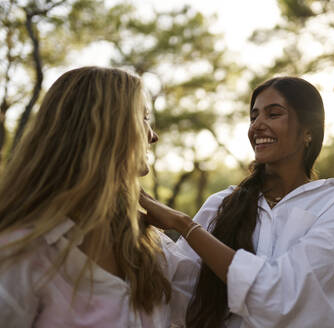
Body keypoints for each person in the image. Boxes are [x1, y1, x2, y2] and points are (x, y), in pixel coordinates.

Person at [140, 76, 334, 328]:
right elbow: (178, 284)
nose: (257, 125)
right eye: (253, 117)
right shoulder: (221, 204)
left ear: (308, 131)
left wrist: (183, 224)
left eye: (273, 114)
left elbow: (284, 293)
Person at [0, 66, 196, 327]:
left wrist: (183, 224)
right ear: (108, 129)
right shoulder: (21, 252)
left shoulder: (148, 245)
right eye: (144, 118)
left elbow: (226, 305)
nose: (153, 136)